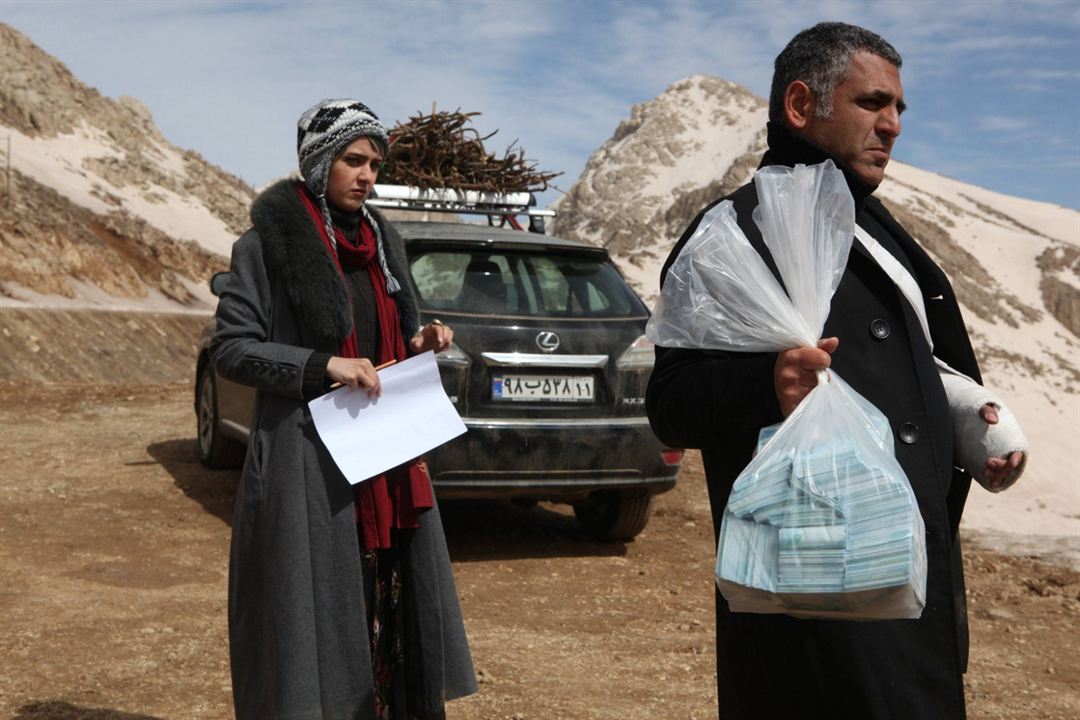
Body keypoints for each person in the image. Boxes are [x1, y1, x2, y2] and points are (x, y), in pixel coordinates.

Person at [646, 22, 1024, 720]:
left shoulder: (873, 225)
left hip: (901, 577)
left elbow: (903, 365)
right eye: (873, 103)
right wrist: (766, 386)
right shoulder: (735, 235)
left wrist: (972, 422)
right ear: (800, 106)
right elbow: (669, 403)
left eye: (901, 108)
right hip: (814, 600)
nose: (894, 125)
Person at [211, 99, 476, 719]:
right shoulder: (265, 246)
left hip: (385, 463)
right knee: (317, 627)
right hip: (309, 470)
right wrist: (321, 365)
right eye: (353, 160)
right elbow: (232, 348)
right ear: (319, 161)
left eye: (374, 163)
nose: (366, 175)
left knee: (392, 612)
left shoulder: (383, 243)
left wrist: (418, 341)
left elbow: (385, 339)